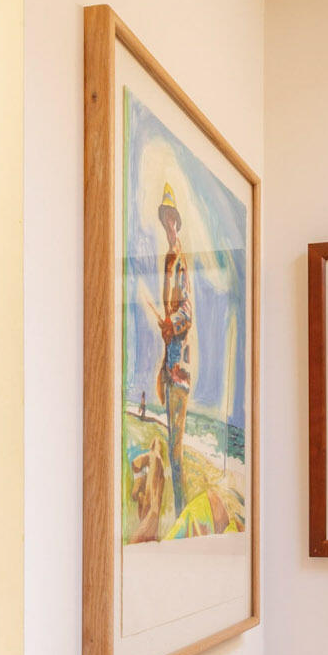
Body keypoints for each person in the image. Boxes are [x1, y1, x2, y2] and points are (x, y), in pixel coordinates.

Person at [155, 183, 194, 508]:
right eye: (164, 219)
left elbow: (186, 312)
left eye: (172, 219)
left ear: (177, 223)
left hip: (179, 370)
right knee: (171, 445)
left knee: (176, 450)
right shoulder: (169, 259)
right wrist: (168, 330)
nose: (168, 225)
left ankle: (182, 509)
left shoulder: (179, 258)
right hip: (171, 366)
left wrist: (171, 325)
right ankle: (178, 508)